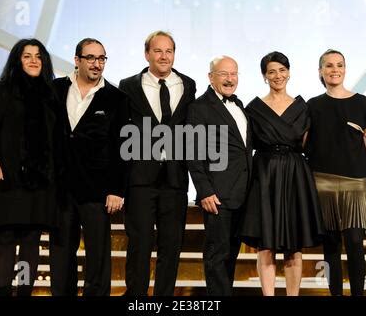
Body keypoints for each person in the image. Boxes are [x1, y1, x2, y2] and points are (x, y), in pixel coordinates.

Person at [0, 38, 59, 296]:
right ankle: (4, 293)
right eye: (27, 56)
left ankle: (23, 293)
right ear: (17, 60)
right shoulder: (2, 90)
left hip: (39, 179)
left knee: (31, 242)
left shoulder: (51, 95)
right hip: (6, 176)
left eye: (38, 56)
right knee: (7, 239)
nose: (34, 60)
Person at [239, 51, 324, 296]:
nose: (278, 76)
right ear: (264, 76)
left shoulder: (302, 107)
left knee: (293, 244)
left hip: (295, 174)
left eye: (282, 70)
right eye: (272, 71)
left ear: (289, 72)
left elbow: (308, 143)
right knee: (266, 244)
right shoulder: (253, 108)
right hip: (264, 175)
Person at [118, 31, 196, 296]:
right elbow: (120, 133)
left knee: (171, 246)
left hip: (174, 178)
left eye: (169, 51)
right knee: (139, 244)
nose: (164, 56)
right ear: (147, 54)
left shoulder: (189, 84)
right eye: (158, 51)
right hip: (140, 178)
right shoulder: (128, 85)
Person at [49, 38, 128, 296]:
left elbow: (121, 147)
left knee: (98, 257)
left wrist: (117, 189)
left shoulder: (116, 98)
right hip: (60, 188)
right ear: (77, 60)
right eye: (91, 58)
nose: (97, 64)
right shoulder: (54, 90)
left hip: (97, 190)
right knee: (61, 255)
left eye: (102, 58)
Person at [305, 49, 366, 296]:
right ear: (320, 71)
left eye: (339, 65)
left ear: (345, 69)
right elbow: (304, 144)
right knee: (330, 247)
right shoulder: (313, 105)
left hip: (355, 183)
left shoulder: (362, 103)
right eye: (328, 65)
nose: (334, 69)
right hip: (321, 184)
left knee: (356, 245)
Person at [187, 56, 252, 296]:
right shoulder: (199, 107)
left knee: (231, 255)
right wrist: (204, 190)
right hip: (217, 195)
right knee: (217, 256)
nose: (229, 78)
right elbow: (192, 153)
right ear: (210, 77)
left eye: (233, 73)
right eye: (223, 73)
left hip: (241, 194)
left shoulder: (240, 105)